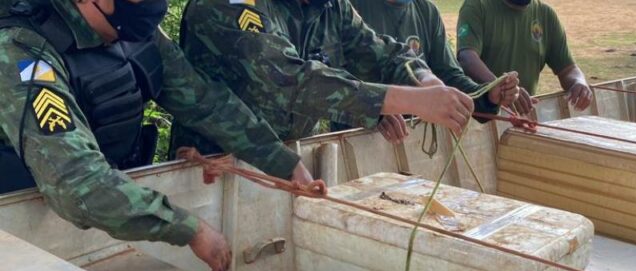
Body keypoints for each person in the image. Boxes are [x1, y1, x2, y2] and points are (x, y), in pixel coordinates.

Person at [0, 0, 321, 271]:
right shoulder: (21, 48)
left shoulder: (129, 25)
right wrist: (187, 227)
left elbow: (202, 101)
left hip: (104, 223)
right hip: (20, 233)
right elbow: (76, 183)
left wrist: (283, 162)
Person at [172, 0, 476, 151]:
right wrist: (409, 101)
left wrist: (425, 80)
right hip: (211, 168)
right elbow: (291, 81)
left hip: (291, 161)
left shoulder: (330, 5)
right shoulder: (229, 4)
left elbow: (379, 50)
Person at [344, 0, 520, 140]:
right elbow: (331, 79)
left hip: (412, 141)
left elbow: (448, 75)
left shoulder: (426, 12)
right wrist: (373, 110)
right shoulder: (349, 8)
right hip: (358, 141)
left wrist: (486, 95)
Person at [456, 0, 593, 115]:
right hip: (480, 115)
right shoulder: (477, 6)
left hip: (521, 116)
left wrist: (579, 82)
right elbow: (467, 57)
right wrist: (504, 88)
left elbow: (567, 69)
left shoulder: (546, 15)